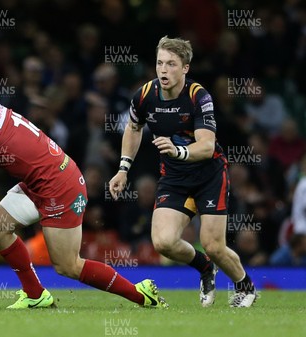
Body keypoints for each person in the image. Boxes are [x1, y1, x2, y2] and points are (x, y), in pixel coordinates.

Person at [0, 69, 169, 309]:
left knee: (68, 266)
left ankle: (141, 294)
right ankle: (35, 294)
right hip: (38, 180)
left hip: (58, 185)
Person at [108, 36, 257, 308]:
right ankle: (204, 268)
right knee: (163, 242)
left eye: (171, 64)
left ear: (185, 68)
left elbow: (207, 145)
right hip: (175, 177)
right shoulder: (144, 95)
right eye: (160, 63)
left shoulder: (199, 96)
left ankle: (245, 287)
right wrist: (123, 168)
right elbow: (134, 128)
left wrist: (179, 152)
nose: (163, 70)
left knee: (213, 244)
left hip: (209, 175)